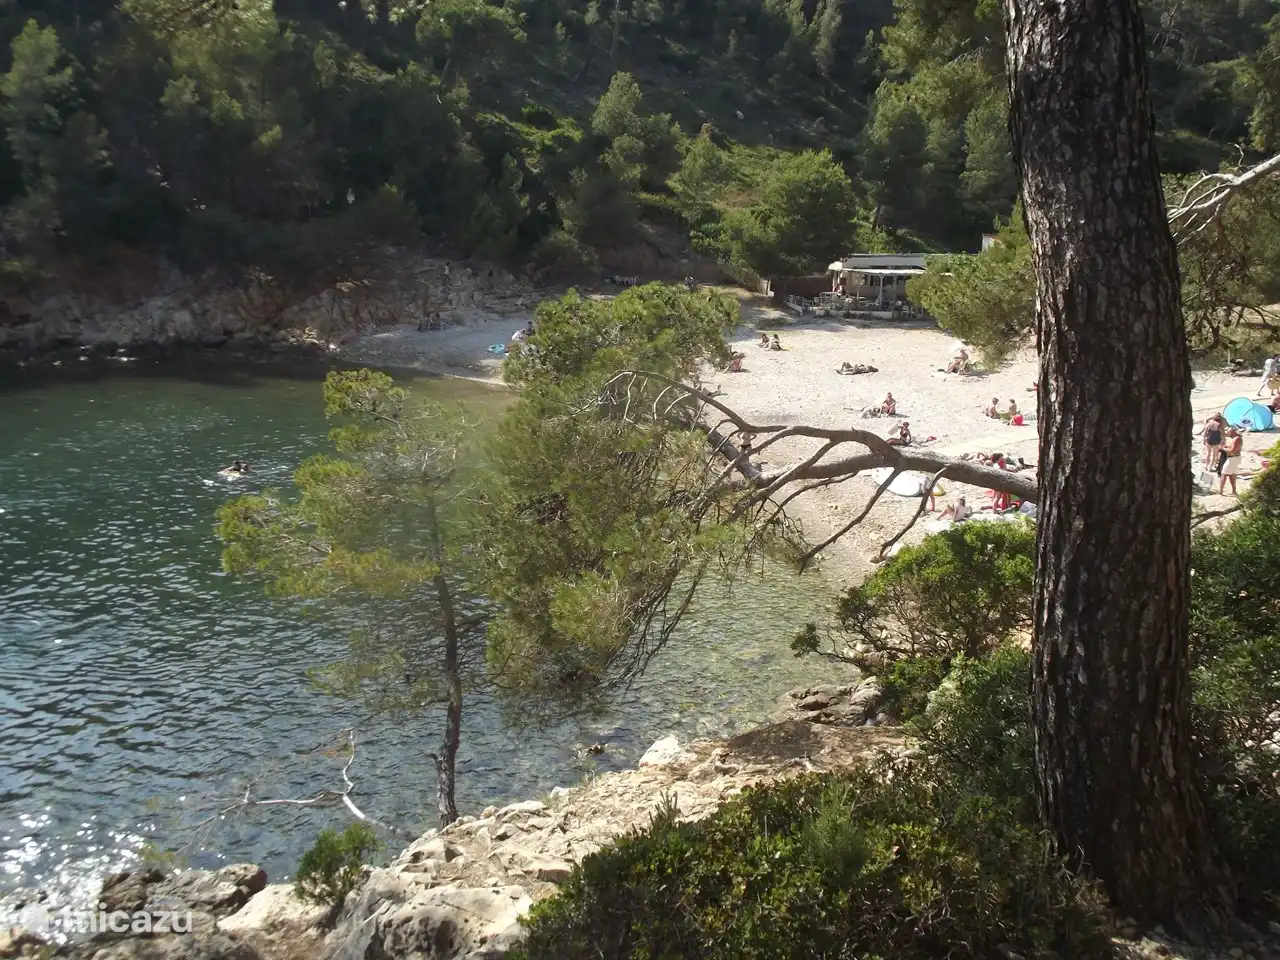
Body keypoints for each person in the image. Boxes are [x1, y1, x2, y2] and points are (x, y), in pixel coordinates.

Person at [1218, 428, 1243, 495]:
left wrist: (1222, 448)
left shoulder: (1236, 439)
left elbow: (1232, 451)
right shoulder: (1237, 438)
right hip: (1234, 459)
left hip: (1233, 459)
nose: (1228, 435)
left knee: (1223, 474)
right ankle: (1234, 491)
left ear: (1232, 432)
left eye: (1229, 433)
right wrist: (1225, 446)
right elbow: (1232, 448)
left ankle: (1220, 491)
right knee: (1231, 475)